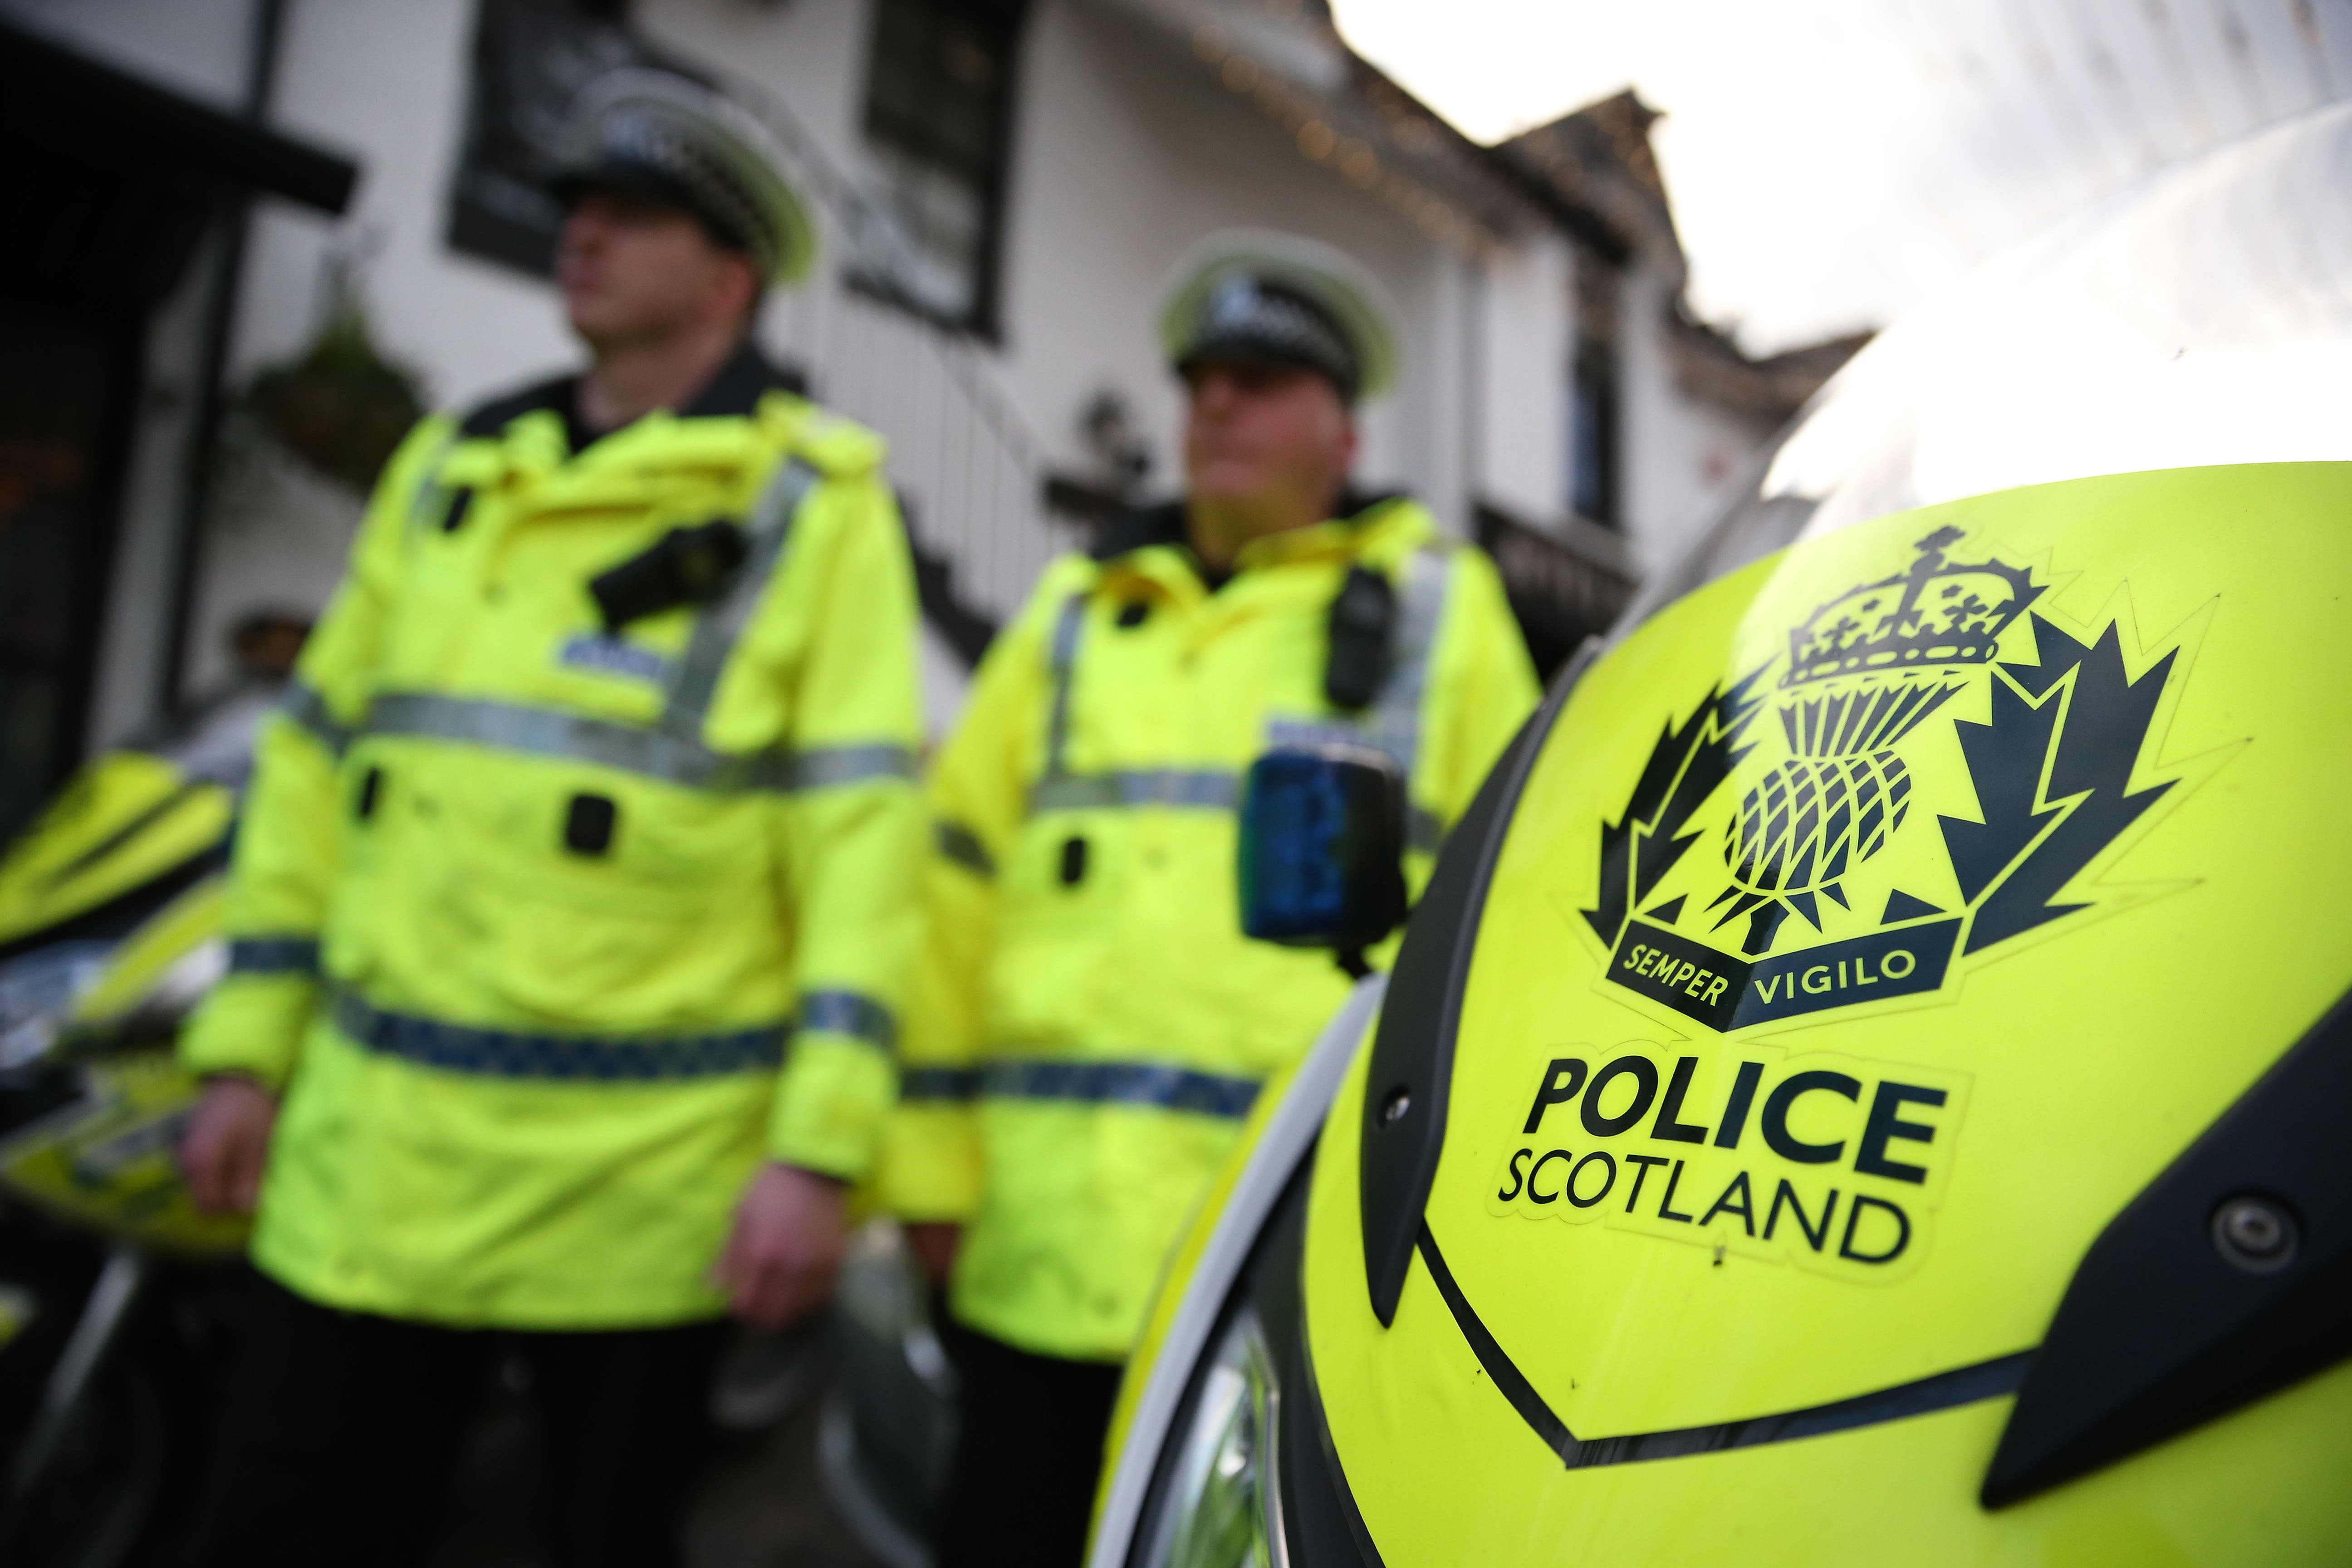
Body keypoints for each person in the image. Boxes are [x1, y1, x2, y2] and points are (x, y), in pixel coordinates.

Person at [176, 69, 924, 1568]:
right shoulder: (452, 471)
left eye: (632, 213)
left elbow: (859, 846)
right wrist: (244, 1052)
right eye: (575, 206)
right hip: (366, 1172)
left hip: (637, 1209)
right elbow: (315, 768)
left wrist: (820, 1156)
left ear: (729, 276)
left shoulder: (817, 508)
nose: (580, 232)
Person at [881, 230, 1543, 1567]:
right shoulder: (1074, 612)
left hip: (1283, 1279)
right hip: (1031, 1265)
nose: (1217, 404)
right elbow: (949, 896)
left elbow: (1518, 923)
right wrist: (928, 1171)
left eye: (1262, 378)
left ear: (1344, 435)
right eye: (1202, 381)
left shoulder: (1444, 614)